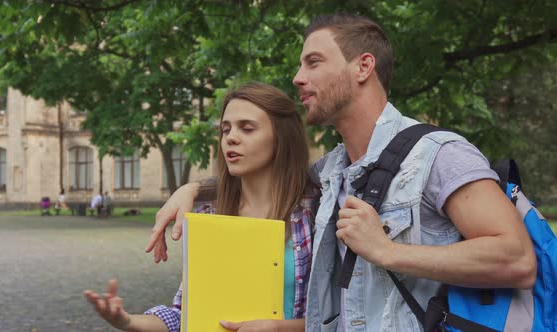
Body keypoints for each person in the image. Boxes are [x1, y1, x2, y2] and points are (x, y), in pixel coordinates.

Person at [147, 14, 537, 332]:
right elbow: (269, 175)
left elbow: (516, 260)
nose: (298, 77)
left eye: (313, 62)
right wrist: (192, 188)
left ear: (363, 66)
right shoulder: (333, 171)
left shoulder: (438, 153)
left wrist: (387, 251)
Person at [85, 82, 316, 332]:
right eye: (225, 130)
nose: (231, 139)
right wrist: (127, 321)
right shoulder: (210, 214)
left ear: (282, 138)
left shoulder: (314, 214)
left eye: (247, 129)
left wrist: (280, 328)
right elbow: (184, 316)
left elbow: (342, 317)